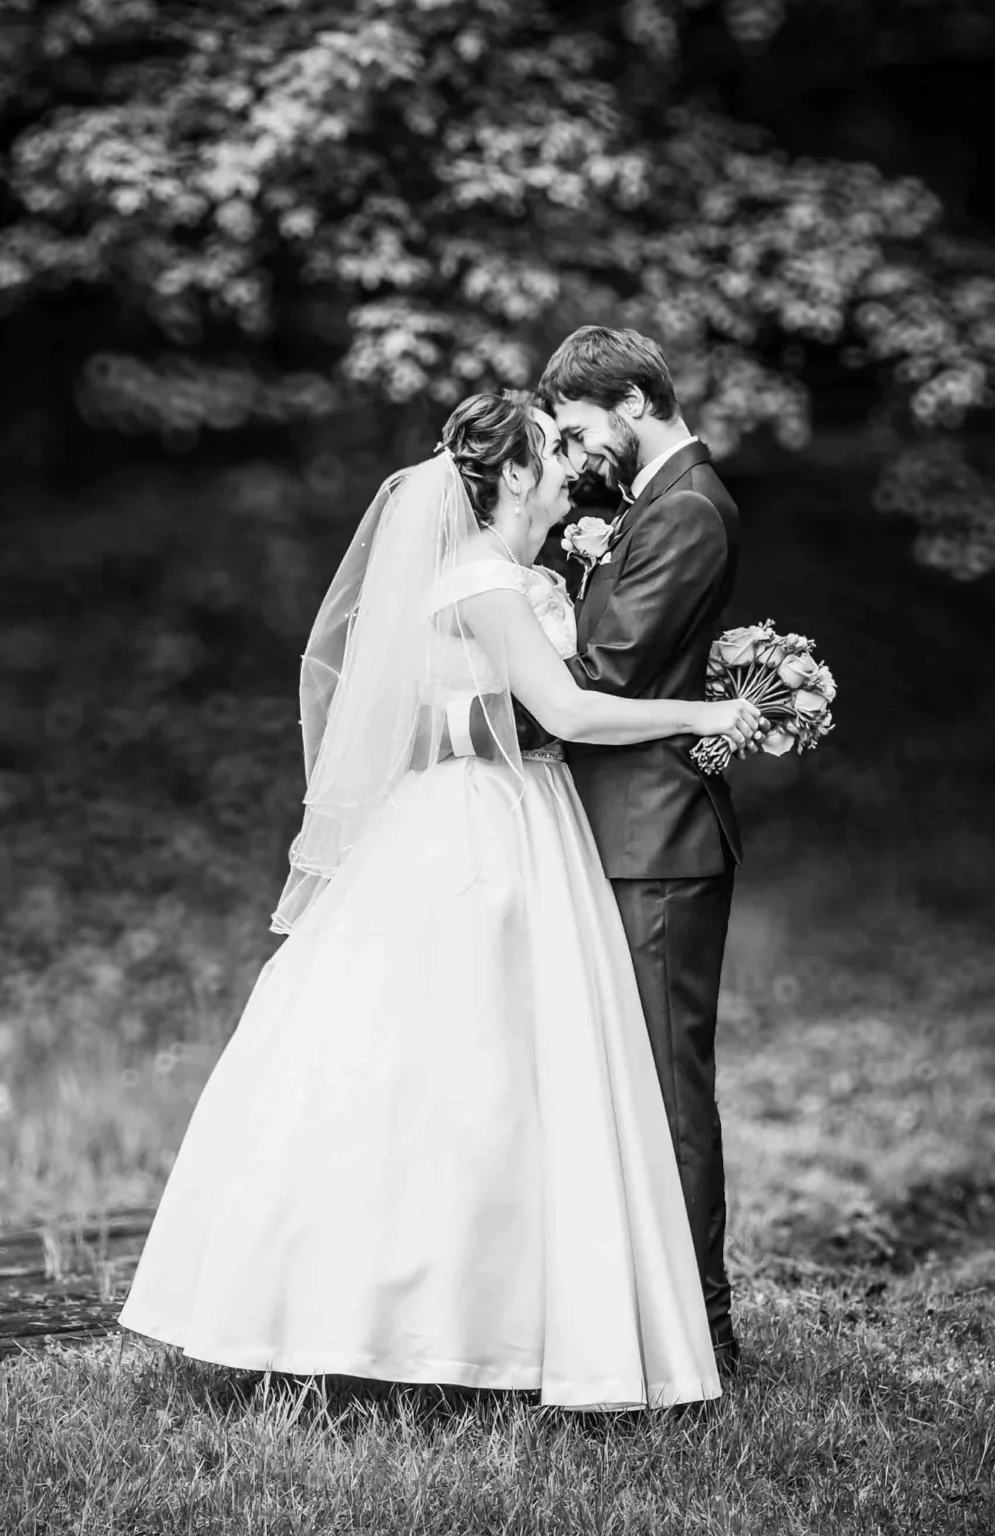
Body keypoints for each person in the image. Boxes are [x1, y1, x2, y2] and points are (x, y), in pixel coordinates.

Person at [117, 391, 761, 1411]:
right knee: (451, 1068)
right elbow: (562, 707)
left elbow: (499, 699)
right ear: (510, 475)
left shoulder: (524, 575)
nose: (569, 469)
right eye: (551, 454)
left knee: (522, 1070)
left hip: (528, 815)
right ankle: (396, 1322)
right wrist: (712, 709)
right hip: (475, 832)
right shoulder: (478, 577)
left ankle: (517, 1319)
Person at [537, 326, 747, 1379]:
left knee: (669, 1091)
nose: (575, 454)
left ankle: (704, 1333)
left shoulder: (689, 510)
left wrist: (498, 670)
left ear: (628, 398)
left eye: (578, 427)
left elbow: (610, 677)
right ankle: (635, 1313)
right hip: (614, 830)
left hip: (656, 841)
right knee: (619, 1084)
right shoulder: (645, 508)